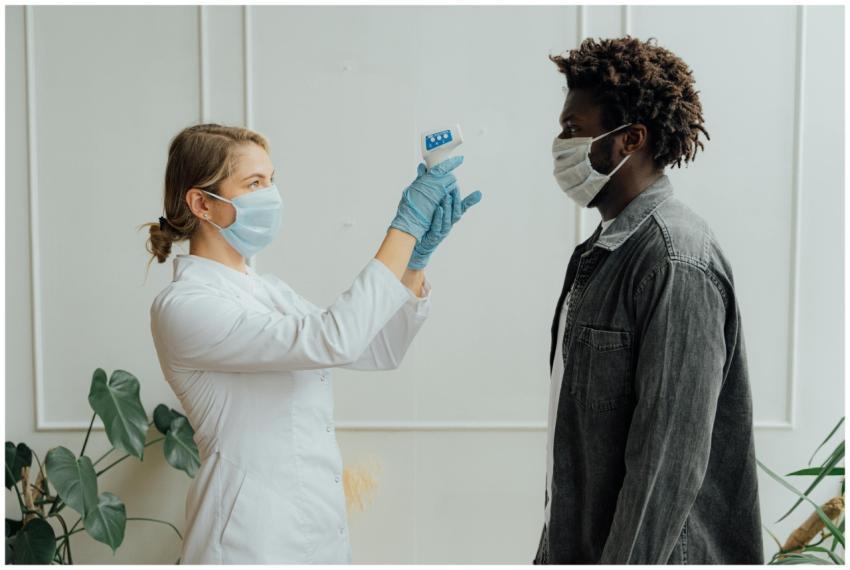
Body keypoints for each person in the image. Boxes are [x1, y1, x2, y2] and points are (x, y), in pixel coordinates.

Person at [145, 124, 481, 564]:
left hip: (318, 531)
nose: (270, 195)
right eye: (253, 183)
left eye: (271, 180)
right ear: (202, 202)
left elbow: (376, 349)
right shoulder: (183, 306)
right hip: (247, 543)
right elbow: (334, 340)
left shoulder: (271, 292)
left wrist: (415, 264)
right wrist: (405, 227)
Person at [533, 37, 764, 564]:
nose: (559, 144)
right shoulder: (604, 253)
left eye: (573, 129)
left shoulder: (676, 262)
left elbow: (667, 465)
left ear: (629, 139)